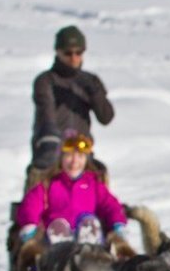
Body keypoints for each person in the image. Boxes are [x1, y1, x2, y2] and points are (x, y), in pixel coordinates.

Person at [3, 132, 134, 271]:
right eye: (69, 156)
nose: (74, 162)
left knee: (89, 223)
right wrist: (29, 224)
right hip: (56, 240)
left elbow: (110, 205)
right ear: (61, 158)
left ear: (85, 159)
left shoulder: (93, 183)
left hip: (88, 239)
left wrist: (118, 223)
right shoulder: (50, 184)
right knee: (59, 225)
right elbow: (31, 204)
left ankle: (91, 267)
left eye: (79, 156)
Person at [28, 25, 114, 189]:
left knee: (99, 179)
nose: (73, 58)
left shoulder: (90, 81)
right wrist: (51, 143)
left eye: (78, 52)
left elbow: (106, 117)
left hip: (81, 155)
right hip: (52, 154)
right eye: (68, 53)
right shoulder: (45, 81)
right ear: (58, 52)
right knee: (40, 197)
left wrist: (94, 92)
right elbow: (46, 113)